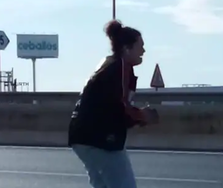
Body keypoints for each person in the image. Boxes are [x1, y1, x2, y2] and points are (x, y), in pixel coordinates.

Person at [68, 19, 158, 188]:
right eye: (140, 46)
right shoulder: (121, 67)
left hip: (81, 136)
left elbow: (110, 107)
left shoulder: (107, 63)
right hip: (100, 139)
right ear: (127, 48)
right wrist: (143, 115)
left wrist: (137, 119)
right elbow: (122, 105)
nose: (144, 51)